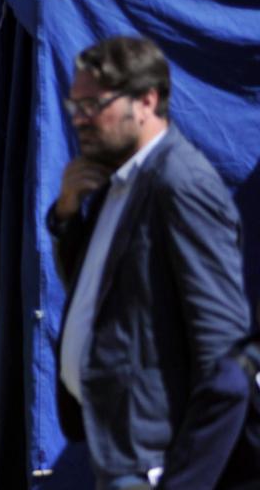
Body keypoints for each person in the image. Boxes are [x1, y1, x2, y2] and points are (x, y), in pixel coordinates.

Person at [50, 36, 251, 488]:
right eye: (74, 104)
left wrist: (186, 477)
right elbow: (93, 292)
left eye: (92, 104)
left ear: (146, 100)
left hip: (154, 460)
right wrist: (66, 216)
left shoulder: (180, 184)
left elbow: (225, 355)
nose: (79, 119)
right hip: (117, 448)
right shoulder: (117, 180)